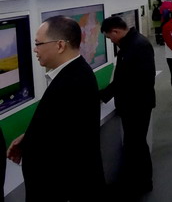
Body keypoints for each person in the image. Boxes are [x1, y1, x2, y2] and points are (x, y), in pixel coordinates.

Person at [7, 16, 104, 201]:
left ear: (60, 45)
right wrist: (29, 138)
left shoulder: (73, 82)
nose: (35, 49)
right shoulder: (74, 73)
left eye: (38, 43)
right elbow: (60, 126)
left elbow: (69, 147)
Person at [100, 16, 156, 198]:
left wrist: (104, 95)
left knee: (135, 145)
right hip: (134, 104)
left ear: (116, 31)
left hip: (137, 105)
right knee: (135, 144)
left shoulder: (138, 46)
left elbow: (130, 79)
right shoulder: (131, 44)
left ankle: (139, 184)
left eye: (109, 37)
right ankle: (140, 182)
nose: (111, 41)